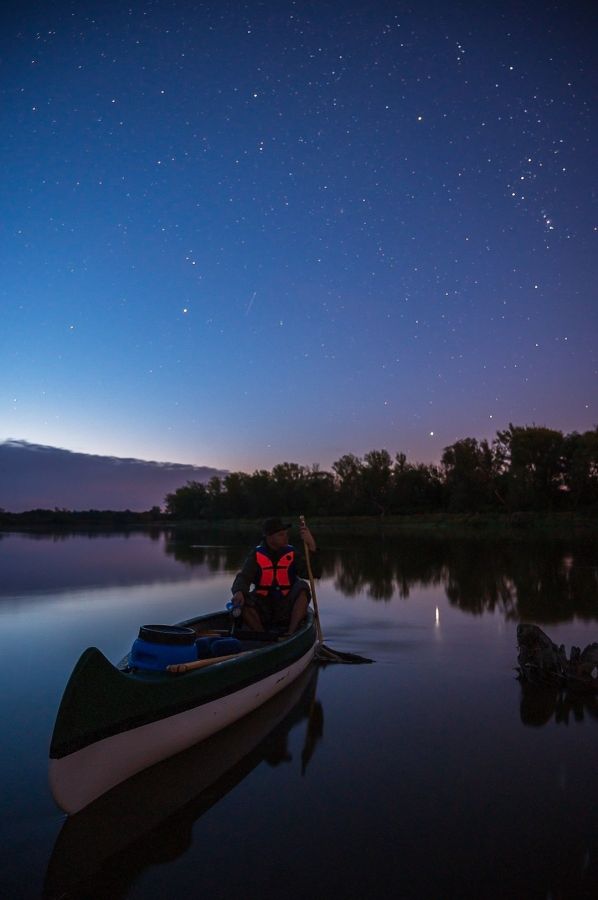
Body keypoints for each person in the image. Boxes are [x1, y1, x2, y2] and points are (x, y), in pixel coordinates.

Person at [230, 517, 321, 634]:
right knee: (243, 601)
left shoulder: (291, 553)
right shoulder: (256, 555)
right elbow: (244, 577)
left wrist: (312, 546)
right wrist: (239, 591)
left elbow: (314, 573)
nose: (286, 537)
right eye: (281, 535)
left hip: (286, 605)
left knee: (302, 587)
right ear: (269, 537)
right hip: (263, 605)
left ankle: (291, 634)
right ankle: (262, 637)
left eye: (286, 534)